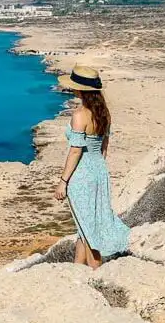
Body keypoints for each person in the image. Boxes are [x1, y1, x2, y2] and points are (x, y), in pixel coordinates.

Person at [53, 65, 130, 269]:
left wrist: (63, 182)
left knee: (89, 231)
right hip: (99, 171)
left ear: (80, 90)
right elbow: (104, 147)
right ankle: (78, 270)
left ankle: (97, 274)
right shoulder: (104, 113)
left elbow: (76, 151)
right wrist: (98, 169)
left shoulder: (80, 115)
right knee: (85, 225)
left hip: (82, 175)